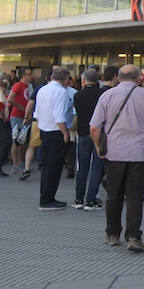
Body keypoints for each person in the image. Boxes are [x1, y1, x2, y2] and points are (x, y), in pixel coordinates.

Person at [90, 65, 144, 253]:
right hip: (140, 154)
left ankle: (112, 234)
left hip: (114, 153)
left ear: (118, 77)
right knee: (135, 195)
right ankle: (134, 236)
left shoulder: (107, 96)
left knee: (114, 194)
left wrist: (99, 146)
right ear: (139, 78)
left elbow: (94, 127)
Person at [33, 67, 73, 210]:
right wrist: (65, 133)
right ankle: (47, 199)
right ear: (65, 79)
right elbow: (59, 116)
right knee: (54, 167)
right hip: (56, 131)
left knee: (47, 166)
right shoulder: (61, 92)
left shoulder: (43, 89)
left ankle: (46, 196)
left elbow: (36, 113)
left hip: (44, 129)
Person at [72, 68, 107, 210]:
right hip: (98, 132)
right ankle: (91, 200)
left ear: (83, 80)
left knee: (82, 167)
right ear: (97, 80)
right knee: (97, 167)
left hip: (83, 133)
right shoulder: (103, 94)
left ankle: (78, 199)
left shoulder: (77, 95)